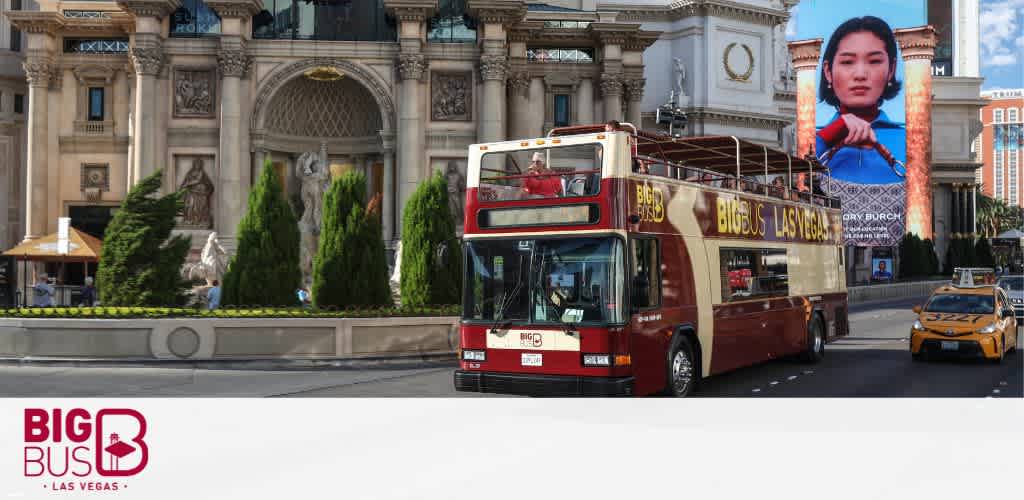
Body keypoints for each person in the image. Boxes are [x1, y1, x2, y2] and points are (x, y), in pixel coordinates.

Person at [815, 16, 906, 185]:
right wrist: (829, 135)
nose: (860, 74)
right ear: (828, 71)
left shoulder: (911, 141)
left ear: (891, 70)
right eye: (848, 62)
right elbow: (794, 181)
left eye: (874, 61)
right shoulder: (812, 139)